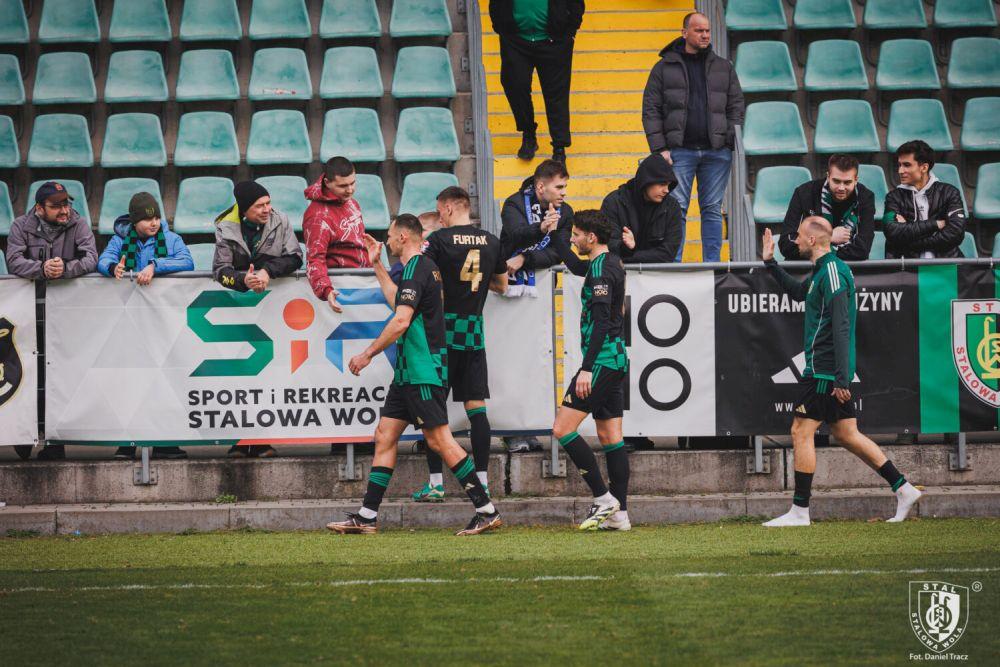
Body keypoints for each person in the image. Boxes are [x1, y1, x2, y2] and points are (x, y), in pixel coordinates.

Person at [326, 214, 501, 536]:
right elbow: (399, 303)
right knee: (385, 435)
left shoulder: (419, 268)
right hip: (410, 371)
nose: (387, 240)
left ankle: (485, 509)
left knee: (439, 440)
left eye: (390, 236)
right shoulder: (418, 269)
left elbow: (401, 321)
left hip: (422, 369)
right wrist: (377, 265)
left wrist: (367, 354)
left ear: (404, 237)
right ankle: (366, 516)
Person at [760, 220, 922, 527]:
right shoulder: (823, 270)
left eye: (797, 236)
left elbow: (842, 326)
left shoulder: (833, 271)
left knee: (800, 431)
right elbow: (798, 293)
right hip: (826, 369)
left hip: (823, 370)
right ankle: (904, 488)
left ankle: (799, 511)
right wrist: (770, 263)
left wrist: (841, 377)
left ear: (811, 238)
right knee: (847, 434)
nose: (794, 241)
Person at [407, 187, 508, 502]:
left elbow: (423, 278)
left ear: (450, 207)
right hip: (473, 333)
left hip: (442, 333)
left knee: (434, 411)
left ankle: (436, 483)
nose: (439, 216)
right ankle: (483, 482)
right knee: (476, 408)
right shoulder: (492, 241)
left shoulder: (437, 241)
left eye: (440, 210)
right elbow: (502, 285)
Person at [548, 210, 631, 531]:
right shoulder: (605, 263)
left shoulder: (601, 273)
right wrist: (557, 233)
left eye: (577, 235)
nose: (573, 239)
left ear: (591, 238)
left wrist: (585, 369)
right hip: (615, 361)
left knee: (561, 429)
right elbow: (575, 264)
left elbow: (601, 325)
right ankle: (620, 515)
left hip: (601, 363)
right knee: (611, 437)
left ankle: (604, 498)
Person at [96, 192, 194, 462]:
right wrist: (113, 267)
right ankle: (126, 444)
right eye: (148, 218)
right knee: (130, 381)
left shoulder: (171, 239)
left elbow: (187, 261)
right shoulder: (119, 240)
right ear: (135, 221)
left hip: (163, 321)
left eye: (157, 217)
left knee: (166, 379)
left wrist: (155, 265)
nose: (154, 223)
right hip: (130, 323)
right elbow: (102, 260)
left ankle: (166, 442)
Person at [641, 12, 744, 262]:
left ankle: (713, 266)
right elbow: (651, 109)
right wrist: (660, 148)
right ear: (684, 32)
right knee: (677, 209)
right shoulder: (663, 67)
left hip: (716, 151)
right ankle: (674, 265)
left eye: (707, 30)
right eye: (699, 30)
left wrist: (728, 136)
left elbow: (736, 105)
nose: (705, 35)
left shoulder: (724, 66)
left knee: (711, 209)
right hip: (679, 151)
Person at [6, 180, 97, 461]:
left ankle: (55, 443)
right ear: (39, 208)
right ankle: (22, 435)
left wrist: (66, 269)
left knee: (59, 376)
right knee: (27, 373)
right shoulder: (21, 226)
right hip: (27, 313)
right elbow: (13, 261)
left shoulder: (79, 223)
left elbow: (91, 258)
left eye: (66, 203)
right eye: (56, 205)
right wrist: (42, 268)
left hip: (65, 313)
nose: (64, 210)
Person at [213, 180, 303, 459]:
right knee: (239, 381)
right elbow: (220, 271)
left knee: (270, 376)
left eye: (268, 203)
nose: (267, 209)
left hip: (273, 309)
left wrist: (267, 272)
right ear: (244, 209)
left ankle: (264, 440)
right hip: (238, 310)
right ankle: (240, 440)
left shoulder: (281, 221)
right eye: (259, 206)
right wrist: (243, 279)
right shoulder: (224, 227)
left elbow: (296, 258)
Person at [499, 159, 572, 452]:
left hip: (540, 294)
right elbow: (514, 235)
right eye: (559, 187)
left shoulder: (565, 212)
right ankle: (509, 429)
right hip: (508, 292)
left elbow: (559, 253)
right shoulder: (514, 203)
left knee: (535, 359)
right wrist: (540, 228)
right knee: (510, 360)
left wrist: (526, 259)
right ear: (541, 186)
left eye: (565, 186)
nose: (564, 193)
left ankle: (528, 426)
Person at [489, 0, 585, 162]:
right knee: (515, 85)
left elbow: (576, 5)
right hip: (516, 40)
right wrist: (501, 27)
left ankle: (559, 148)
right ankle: (528, 134)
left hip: (554, 41)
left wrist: (569, 31)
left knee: (557, 94)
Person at [303, 156, 370, 313]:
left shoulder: (351, 202)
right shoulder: (318, 216)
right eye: (343, 186)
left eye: (353, 183)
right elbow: (314, 260)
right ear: (327, 183)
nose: (350, 190)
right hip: (341, 288)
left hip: (364, 282)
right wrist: (326, 290)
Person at [778, 154, 875, 262]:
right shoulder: (804, 193)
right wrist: (828, 237)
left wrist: (813, 246)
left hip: (848, 268)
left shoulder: (865, 197)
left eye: (847, 182)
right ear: (828, 177)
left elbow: (862, 250)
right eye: (836, 181)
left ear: (856, 180)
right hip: (809, 267)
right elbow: (786, 245)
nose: (841, 188)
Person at [882, 140, 966, 259]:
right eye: (899, 165)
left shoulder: (949, 193)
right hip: (906, 269)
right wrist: (936, 224)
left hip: (945, 265)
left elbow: (955, 234)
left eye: (907, 165)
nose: (900, 171)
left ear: (924, 167)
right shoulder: (893, 197)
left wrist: (909, 238)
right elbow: (892, 232)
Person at [602, 152, 683, 264]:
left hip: (657, 274)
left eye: (668, 185)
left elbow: (668, 253)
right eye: (662, 184)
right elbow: (608, 246)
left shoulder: (672, 206)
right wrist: (626, 247)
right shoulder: (613, 202)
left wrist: (631, 254)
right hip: (620, 273)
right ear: (646, 181)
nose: (667, 190)